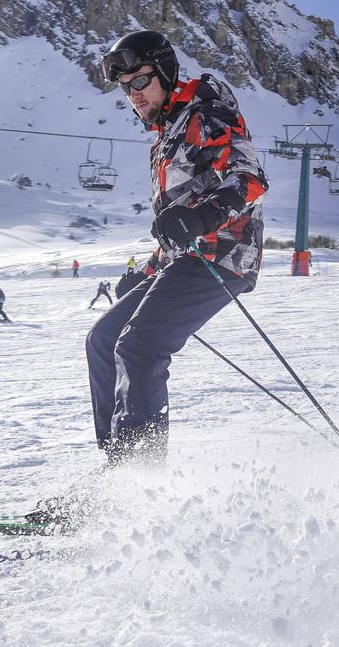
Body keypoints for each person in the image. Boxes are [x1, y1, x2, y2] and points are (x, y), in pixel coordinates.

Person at [86, 30, 268, 465]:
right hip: (187, 258)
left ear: (165, 73)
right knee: (102, 338)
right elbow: (176, 225)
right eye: (124, 87)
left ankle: (138, 482)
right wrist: (147, 272)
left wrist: (203, 216)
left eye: (140, 81)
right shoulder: (165, 140)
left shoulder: (207, 111)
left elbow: (250, 178)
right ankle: (118, 472)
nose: (133, 94)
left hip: (224, 253)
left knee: (139, 347)